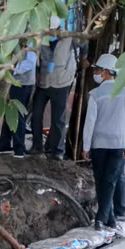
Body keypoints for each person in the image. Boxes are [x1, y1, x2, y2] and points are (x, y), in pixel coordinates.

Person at [81, 54, 125, 231]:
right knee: (109, 181)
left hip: (98, 145)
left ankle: (101, 218)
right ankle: (111, 219)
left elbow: (89, 123)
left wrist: (86, 146)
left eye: (98, 70)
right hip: (118, 145)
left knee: (101, 180)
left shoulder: (95, 94)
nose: (96, 73)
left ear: (106, 72)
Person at [30, 16, 84, 160]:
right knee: (36, 114)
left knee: (58, 119)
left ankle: (57, 151)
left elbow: (84, 45)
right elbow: (36, 56)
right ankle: (37, 146)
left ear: (59, 29)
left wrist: (82, 61)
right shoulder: (42, 38)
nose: (51, 34)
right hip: (44, 81)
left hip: (61, 82)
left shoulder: (69, 38)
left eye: (53, 31)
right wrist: (37, 73)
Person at [0, 47, 38, 158]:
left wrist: (11, 70)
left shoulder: (30, 38)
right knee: (6, 110)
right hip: (11, 80)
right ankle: (3, 145)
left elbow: (30, 63)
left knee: (18, 114)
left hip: (22, 82)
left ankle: (19, 148)